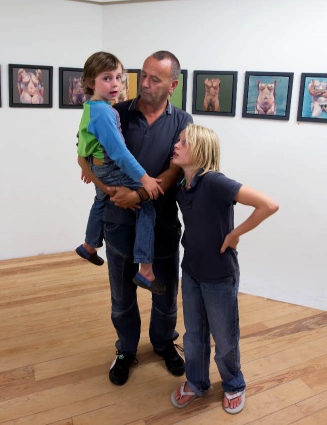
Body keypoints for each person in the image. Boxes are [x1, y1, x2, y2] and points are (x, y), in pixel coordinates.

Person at [95, 51, 193, 386]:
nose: (145, 84)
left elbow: (175, 169)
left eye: (155, 79)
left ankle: (164, 344)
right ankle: (125, 350)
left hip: (163, 224)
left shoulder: (182, 121)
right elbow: (93, 157)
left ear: (173, 85)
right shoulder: (116, 113)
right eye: (143, 76)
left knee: (164, 296)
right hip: (119, 221)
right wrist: (107, 190)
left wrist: (138, 194)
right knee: (122, 297)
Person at [168, 124, 279, 415]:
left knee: (225, 337)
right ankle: (197, 382)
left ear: (201, 151)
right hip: (191, 270)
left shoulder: (216, 182)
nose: (176, 145)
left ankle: (233, 384)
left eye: (183, 142)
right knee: (193, 333)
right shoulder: (182, 185)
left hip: (219, 275)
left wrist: (235, 234)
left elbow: (268, 205)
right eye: (177, 140)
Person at [74, 52, 165, 293]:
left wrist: (88, 164)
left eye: (117, 77)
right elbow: (120, 153)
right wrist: (144, 179)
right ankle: (145, 270)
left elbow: (83, 140)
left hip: (99, 165)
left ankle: (89, 245)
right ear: (91, 82)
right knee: (146, 206)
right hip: (110, 166)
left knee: (101, 199)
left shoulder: (94, 107)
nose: (115, 84)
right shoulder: (104, 112)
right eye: (106, 78)